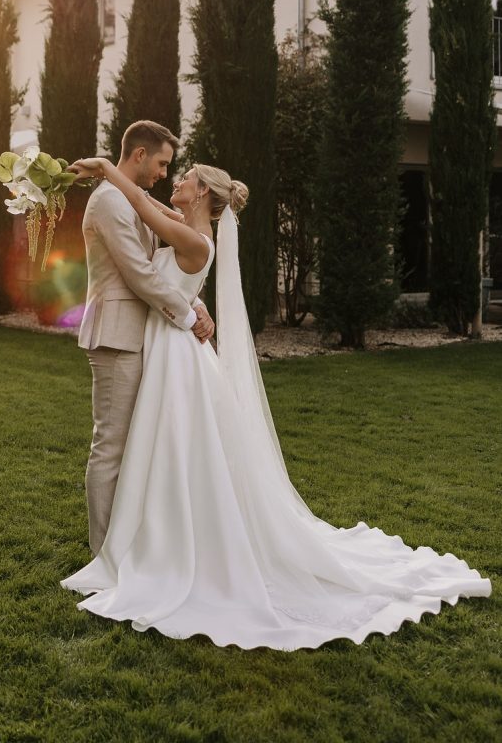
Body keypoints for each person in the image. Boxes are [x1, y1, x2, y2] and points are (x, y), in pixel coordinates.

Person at [62, 156, 491, 650]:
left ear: (201, 192)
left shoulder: (195, 239)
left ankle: (167, 545)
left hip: (176, 355)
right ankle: (148, 538)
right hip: (169, 345)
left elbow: (140, 202)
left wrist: (102, 167)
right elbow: (152, 211)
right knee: (161, 447)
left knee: (174, 446)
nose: (176, 180)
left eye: (185, 178)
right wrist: (196, 306)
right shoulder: (189, 227)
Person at [77, 120, 214, 555]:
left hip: (142, 335)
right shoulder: (108, 202)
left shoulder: (131, 200)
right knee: (111, 447)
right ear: (138, 155)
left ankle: (132, 544)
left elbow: (169, 262)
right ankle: (104, 556)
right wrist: (186, 315)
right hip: (117, 335)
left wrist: (197, 304)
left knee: (138, 447)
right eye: (161, 162)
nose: (163, 173)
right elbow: (138, 274)